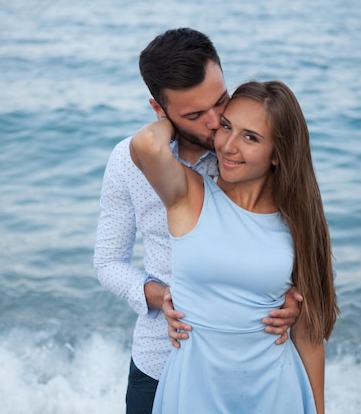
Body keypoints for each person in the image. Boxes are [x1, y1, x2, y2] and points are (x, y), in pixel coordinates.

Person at [93, 28, 302, 414]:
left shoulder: (250, 154)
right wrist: (160, 296)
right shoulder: (128, 162)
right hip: (162, 356)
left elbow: (312, 257)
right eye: (194, 114)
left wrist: (297, 302)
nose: (215, 121)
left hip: (245, 373)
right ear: (160, 111)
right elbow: (107, 262)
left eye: (220, 100)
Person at [130, 80, 339, 414]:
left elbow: (310, 335)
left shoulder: (298, 222)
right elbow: (146, 145)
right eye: (226, 127)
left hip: (275, 391)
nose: (228, 146)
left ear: (278, 154)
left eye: (250, 137)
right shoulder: (189, 194)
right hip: (194, 391)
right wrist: (178, 116)